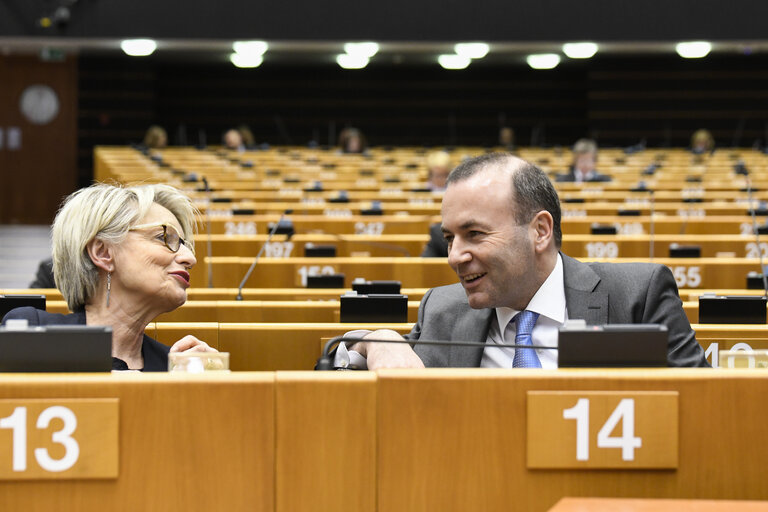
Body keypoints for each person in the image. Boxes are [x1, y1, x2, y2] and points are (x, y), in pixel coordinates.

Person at [340, 153, 709, 370]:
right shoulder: (442, 310)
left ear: (540, 231)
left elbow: (707, 408)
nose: (454, 256)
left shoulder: (637, 297)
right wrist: (373, 339)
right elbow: (340, 367)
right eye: (449, 238)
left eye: (475, 234)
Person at [2, 183, 216, 371]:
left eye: (185, 245)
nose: (190, 258)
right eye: (164, 238)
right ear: (103, 253)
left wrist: (207, 390)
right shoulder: (32, 333)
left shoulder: (176, 368)